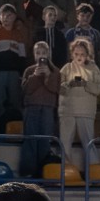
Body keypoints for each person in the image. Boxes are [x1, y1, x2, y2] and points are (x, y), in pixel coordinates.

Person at [58, 37, 100, 174]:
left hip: (86, 111)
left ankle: (94, 173)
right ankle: (65, 173)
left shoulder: (93, 69)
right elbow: (59, 88)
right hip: (67, 111)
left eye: (82, 54)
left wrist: (86, 84)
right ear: (72, 54)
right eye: (76, 54)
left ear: (87, 54)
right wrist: (69, 84)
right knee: (65, 143)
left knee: (88, 142)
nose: (79, 57)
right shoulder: (66, 68)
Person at [19, 41, 59, 178]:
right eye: (38, 53)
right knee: (30, 139)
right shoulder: (29, 70)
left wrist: (48, 75)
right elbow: (26, 90)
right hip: (31, 107)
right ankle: (28, 171)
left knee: (44, 140)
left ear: (48, 54)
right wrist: (35, 76)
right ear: (34, 55)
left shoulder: (55, 71)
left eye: (43, 53)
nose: (41, 55)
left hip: (47, 108)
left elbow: (54, 89)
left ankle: (43, 171)